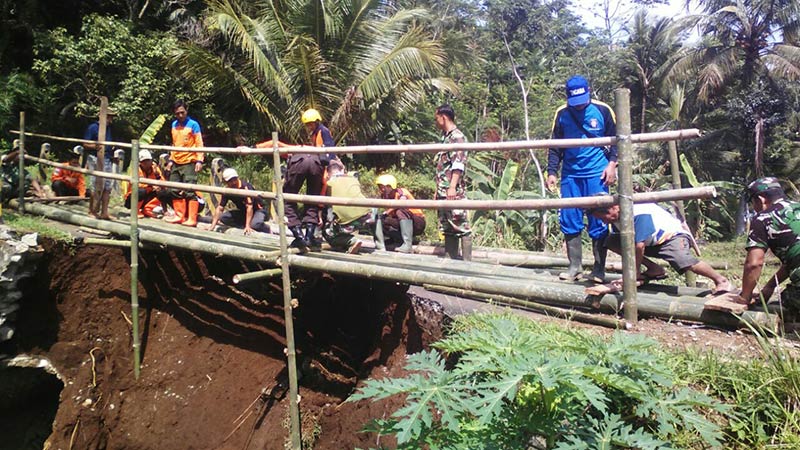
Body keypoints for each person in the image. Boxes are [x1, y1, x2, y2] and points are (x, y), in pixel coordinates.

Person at [547, 75, 618, 283]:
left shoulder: (603, 110)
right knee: (569, 218)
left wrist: (612, 164)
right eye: (575, 103)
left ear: (589, 92)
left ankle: (598, 268)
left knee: (599, 220)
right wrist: (552, 171)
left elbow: (617, 141)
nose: (579, 107)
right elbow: (555, 145)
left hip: (597, 173)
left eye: (582, 101)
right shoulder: (561, 114)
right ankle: (575, 267)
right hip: (570, 174)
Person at [586, 201, 731, 293]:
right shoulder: (616, 217)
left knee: (682, 260)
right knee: (611, 240)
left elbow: (639, 246)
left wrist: (634, 273)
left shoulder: (638, 212)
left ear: (614, 207)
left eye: (603, 217)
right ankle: (654, 269)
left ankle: (721, 280)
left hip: (671, 237)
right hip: (652, 241)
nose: (603, 221)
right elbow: (628, 243)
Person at [734, 177, 800, 315]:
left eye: (753, 203)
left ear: (760, 199)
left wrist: (745, 297)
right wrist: (770, 286)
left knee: (788, 299)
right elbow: (794, 259)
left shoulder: (763, 219)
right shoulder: (797, 207)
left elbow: (754, 263)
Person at [282, 108, 332, 250]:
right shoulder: (318, 133)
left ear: (317, 121)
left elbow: (329, 151)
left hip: (308, 161)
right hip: (316, 164)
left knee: (287, 197)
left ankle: (299, 236)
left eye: (311, 123)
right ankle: (309, 237)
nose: (309, 126)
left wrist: (326, 168)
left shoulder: (323, 132)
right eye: (308, 124)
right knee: (313, 198)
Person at [433, 104, 471, 260]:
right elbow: (443, 166)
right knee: (448, 227)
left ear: (443, 117)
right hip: (443, 190)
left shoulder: (457, 137)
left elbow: (458, 164)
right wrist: (438, 189)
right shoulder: (445, 138)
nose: (436, 122)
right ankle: (451, 263)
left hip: (453, 190)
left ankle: (467, 264)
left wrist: (452, 187)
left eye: (436, 118)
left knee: (461, 225)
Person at [165, 99, 204, 227]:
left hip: (189, 161)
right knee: (173, 188)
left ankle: (192, 218)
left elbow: (199, 143)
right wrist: (171, 159)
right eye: (177, 113)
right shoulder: (173, 125)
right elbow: (175, 144)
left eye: (182, 112)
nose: (180, 115)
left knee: (189, 189)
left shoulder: (193, 125)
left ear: (186, 111)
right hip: (176, 160)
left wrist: (199, 160)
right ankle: (179, 215)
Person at [321, 160, 371, 253]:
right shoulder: (353, 179)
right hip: (367, 216)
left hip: (347, 221)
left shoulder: (329, 184)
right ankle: (381, 245)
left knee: (328, 233)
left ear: (328, 172)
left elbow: (328, 210)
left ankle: (351, 241)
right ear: (341, 170)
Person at [205, 168, 270, 235]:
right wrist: (212, 226)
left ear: (237, 177)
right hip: (243, 212)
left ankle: (267, 229)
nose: (233, 182)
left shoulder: (246, 187)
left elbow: (249, 207)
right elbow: (220, 208)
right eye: (230, 181)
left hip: (258, 210)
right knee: (224, 217)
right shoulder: (227, 190)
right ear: (226, 182)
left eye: (234, 179)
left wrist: (248, 226)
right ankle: (242, 226)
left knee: (255, 225)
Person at [374, 174, 426, 253]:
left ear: (390, 186)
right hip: (400, 221)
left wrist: (387, 212)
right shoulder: (384, 196)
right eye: (380, 187)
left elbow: (401, 204)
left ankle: (407, 245)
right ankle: (395, 240)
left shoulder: (401, 192)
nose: (382, 189)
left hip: (417, 221)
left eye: (383, 187)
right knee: (382, 219)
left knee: (400, 210)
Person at [83, 107, 119, 219]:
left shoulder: (109, 128)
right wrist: (95, 146)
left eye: (111, 117)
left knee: (107, 186)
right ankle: (92, 210)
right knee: (95, 184)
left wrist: (112, 155)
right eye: (108, 117)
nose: (110, 120)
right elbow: (85, 143)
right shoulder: (93, 127)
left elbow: (109, 144)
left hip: (107, 158)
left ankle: (104, 212)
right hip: (95, 157)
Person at [124, 150, 169, 219]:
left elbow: (163, 183)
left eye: (148, 160)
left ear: (151, 160)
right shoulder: (136, 169)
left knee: (162, 191)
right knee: (141, 191)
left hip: (148, 196)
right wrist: (151, 185)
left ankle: (148, 209)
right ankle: (135, 211)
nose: (146, 163)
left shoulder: (155, 168)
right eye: (144, 161)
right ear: (140, 162)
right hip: (132, 198)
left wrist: (157, 175)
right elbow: (136, 185)